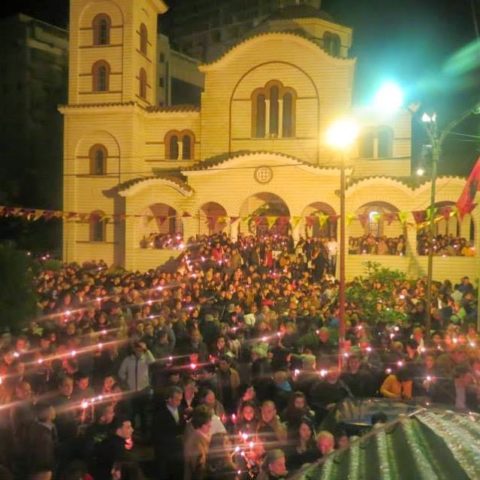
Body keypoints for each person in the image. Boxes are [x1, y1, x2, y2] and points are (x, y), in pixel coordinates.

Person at [152, 386, 185, 480]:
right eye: (177, 400)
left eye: (180, 400)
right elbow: (156, 435)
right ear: (169, 399)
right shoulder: (160, 414)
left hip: (178, 451)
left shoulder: (181, 410)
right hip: (165, 452)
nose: (179, 402)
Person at [183, 405, 212, 480]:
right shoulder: (194, 441)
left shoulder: (201, 433)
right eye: (208, 425)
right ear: (201, 424)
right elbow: (199, 469)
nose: (210, 426)